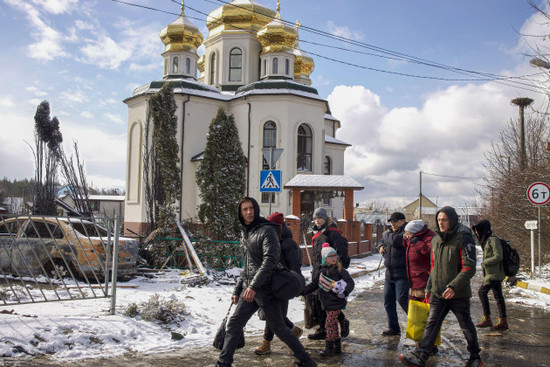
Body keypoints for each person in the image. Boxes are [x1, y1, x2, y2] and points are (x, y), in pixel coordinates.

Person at [216, 197, 316, 367]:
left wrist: (254, 286)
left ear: (256, 209)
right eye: (245, 209)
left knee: (279, 328)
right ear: (240, 213)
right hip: (250, 290)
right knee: (234, 323)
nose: (249, 212)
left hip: (265, 289)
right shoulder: (246, 232)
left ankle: (306, 361)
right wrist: (237, 289)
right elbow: (247, 265)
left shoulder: (266, 230)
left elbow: (270, 260)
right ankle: (223, 363)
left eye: (251, 208)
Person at [399, 206, 483, 367]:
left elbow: (469, 267)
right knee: (431, 324)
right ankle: (421, 356)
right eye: (439, 220)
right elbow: (433, 267)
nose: (441, 223)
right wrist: (429, 288)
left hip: (457, 294)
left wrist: (453, 287)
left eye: (444, 219)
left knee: (466, 326)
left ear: (452, 219)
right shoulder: (436, 239)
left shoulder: (463, 238)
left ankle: (475, 357)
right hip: (438, 293)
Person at [254, 212, 304, 355]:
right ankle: (293, 331)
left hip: (283, 284)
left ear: (279, 226)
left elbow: (295, 266)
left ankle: (267, 343)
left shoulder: (288, 243)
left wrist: (289, 280)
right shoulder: (271, 240)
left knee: (275, 316)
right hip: (270, 282)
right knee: (274, 315)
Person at [303, 243, 355, 357]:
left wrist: (344, 291)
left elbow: (351, 283)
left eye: (334, 255)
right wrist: (302, 291)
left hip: (337, 302)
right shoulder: (321, 272)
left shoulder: (340, 270)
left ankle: (329, 347)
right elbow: (313, 285)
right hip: (326, 303)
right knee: (334, 326)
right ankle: (337, 346)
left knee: (329, 324)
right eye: (330, 256)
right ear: (324, 258)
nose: (333, 258)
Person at [307, 207, 351, 341]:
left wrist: (336, 271)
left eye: (320, 217)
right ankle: (323, 328)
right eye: (315, 218)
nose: (317, 220)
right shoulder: (317, 234)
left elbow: (342, 254)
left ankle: (341, 322)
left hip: (330, 273)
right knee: (318, 301)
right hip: (318, 271)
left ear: (326, 218)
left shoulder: (333, 233)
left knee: (328, 302)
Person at [472, 219, 508, 330]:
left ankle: (487, 319)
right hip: (492, 273)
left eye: (477, 231)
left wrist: (485, 262)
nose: (476, 233)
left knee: (481, 292)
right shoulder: (487, 241)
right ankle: (503, 321)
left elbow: (498, 256)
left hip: (494, 274)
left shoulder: (493, 240)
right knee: (498, 296)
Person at [379, 211, 409, 336]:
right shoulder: (389, 233)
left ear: (402, 221)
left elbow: (397, 241)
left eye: (395, 222)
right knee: (388, 301)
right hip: (389, 273)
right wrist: (381, 246)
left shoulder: (407, 232)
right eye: (391, 222)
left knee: (402, 299)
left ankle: (419, 323)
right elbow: (383, 241)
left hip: (402, 274)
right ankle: (394, 327)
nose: (393, 224)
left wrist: (386, 235)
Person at [403, 219, 434, 302]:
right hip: (413, 281)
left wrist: (418, 243)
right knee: (414, 310)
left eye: (408, 233)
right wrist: (405, 240)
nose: (406, 235)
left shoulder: (429, 238)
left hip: (424, 280)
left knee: (424, 309)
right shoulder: (412, 239)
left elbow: (431, 252)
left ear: (415, 232)